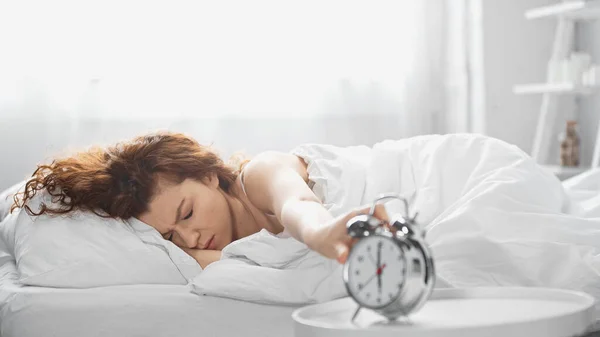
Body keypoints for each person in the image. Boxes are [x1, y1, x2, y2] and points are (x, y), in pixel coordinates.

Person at [11, 131, 389, 268]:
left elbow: (298, 206)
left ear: (208, 175)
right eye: (172, 237)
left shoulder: (258, 175)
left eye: (187, 213)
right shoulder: (197, 248)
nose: (190, 238)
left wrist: (321, 234)